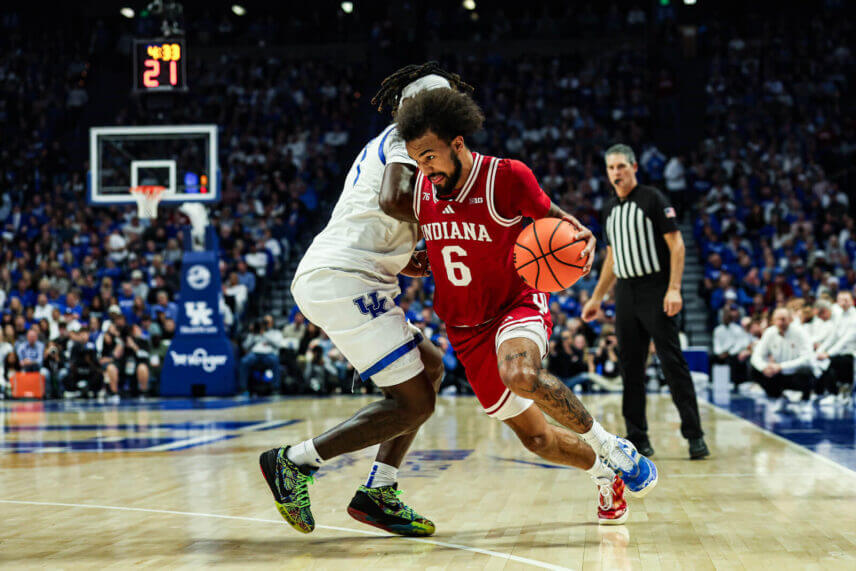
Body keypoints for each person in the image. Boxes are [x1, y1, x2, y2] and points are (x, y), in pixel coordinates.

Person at [390, 84, 657, 524]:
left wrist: (582, 239)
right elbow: (432, 255)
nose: (425, 167)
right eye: (418, 159)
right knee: (536, 441)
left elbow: (557, 223)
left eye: (431, 156)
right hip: (464, 327)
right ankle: (603, 474)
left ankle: (612, 445)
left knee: (521, 374)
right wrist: (413, 262)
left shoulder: (507, 177)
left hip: (516, 302)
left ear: (458, 143)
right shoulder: (422, 189)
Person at [259, 64, 455, 538]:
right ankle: (294, 462)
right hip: (343, 278)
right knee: (414, 402)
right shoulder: (403, 140)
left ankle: (378, 491)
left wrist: (410, 255)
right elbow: (392, 199)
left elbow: (382, 214)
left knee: (429, 368)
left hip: (353, 275)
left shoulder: (405, 147)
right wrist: (450, 214)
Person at [581, 144, 709, 460]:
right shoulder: (609, 208)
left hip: (656, 288)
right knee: (630, 367)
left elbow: (677, 246)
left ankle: (694, 436)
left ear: (634, 167)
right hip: (625, 292)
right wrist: (597, 297)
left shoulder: (653, 198)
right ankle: (638, 437)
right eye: (611, 168)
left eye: (622, 166)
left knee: (672, 363)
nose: (616, 173)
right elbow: (612, 257)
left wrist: (674, 288)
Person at [750, 307, 816, 408]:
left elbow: (807, 358)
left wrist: (781, 366)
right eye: (778, 319)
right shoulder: (769, 332)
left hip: (796, 372)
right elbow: (756, 356)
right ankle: (777, 397)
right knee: (754, 369)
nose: (781, 322)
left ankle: (804, 400)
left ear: (790, 319)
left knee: (807, 372)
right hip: (777, 373)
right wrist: (764, 367)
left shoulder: (800, 332)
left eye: (783, 319)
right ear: (773, 320)